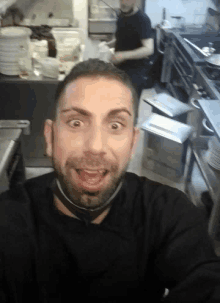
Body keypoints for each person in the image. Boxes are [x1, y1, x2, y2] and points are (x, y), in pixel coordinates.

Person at [1, 58, 220, 303]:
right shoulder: (9, 220)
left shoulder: (167, 213)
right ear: (50, 137)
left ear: (132, 143)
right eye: (76, 122)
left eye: (115, 125)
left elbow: (206, 283)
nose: (95, 147)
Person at [107, 0, 154, 103]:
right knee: (118, 102)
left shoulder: (142, 20)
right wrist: (108, 44)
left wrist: (123, 55)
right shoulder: (122, 15)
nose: (123, 2)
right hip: (120, 69)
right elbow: (122, 38)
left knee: (130, 105)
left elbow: (148, 49)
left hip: (135, 72)